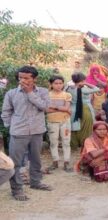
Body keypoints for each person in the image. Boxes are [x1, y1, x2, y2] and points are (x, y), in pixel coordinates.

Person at [1, 66, 53, 201]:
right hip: (18, 132)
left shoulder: (42, 91)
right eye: (20, 78)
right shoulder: (11, 93)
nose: (22, 80)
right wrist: (11, 126)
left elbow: (45, 107)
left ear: (34, 79)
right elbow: (6, 112)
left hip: (37, 131)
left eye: (26, 78)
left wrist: (30, 93)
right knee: (15, 163)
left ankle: (35, 182)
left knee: (36, 159)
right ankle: (17, 190)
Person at [46, 75, 73, 172]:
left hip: (65, 122)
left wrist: (54, 107)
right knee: (53, 143)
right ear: (51, 84)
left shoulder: (67, 95)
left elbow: (67, 108)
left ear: (63, 84)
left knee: (66, 142)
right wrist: (63, 109)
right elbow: (46, 110)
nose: (58, 85)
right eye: (55, 83)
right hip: (52, 122)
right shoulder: (47, 95)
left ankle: (66, 163)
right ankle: (55, 162)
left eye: (60, 83)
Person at [67, 72, 100, 149]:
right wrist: (87, 84)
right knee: (86, 127)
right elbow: (97, 89)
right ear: (82, 81)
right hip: (85, 109)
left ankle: (74, 144)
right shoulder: (84, 89)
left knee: (74, 127)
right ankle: (84, 144)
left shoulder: (69, 88)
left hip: (72, 108)